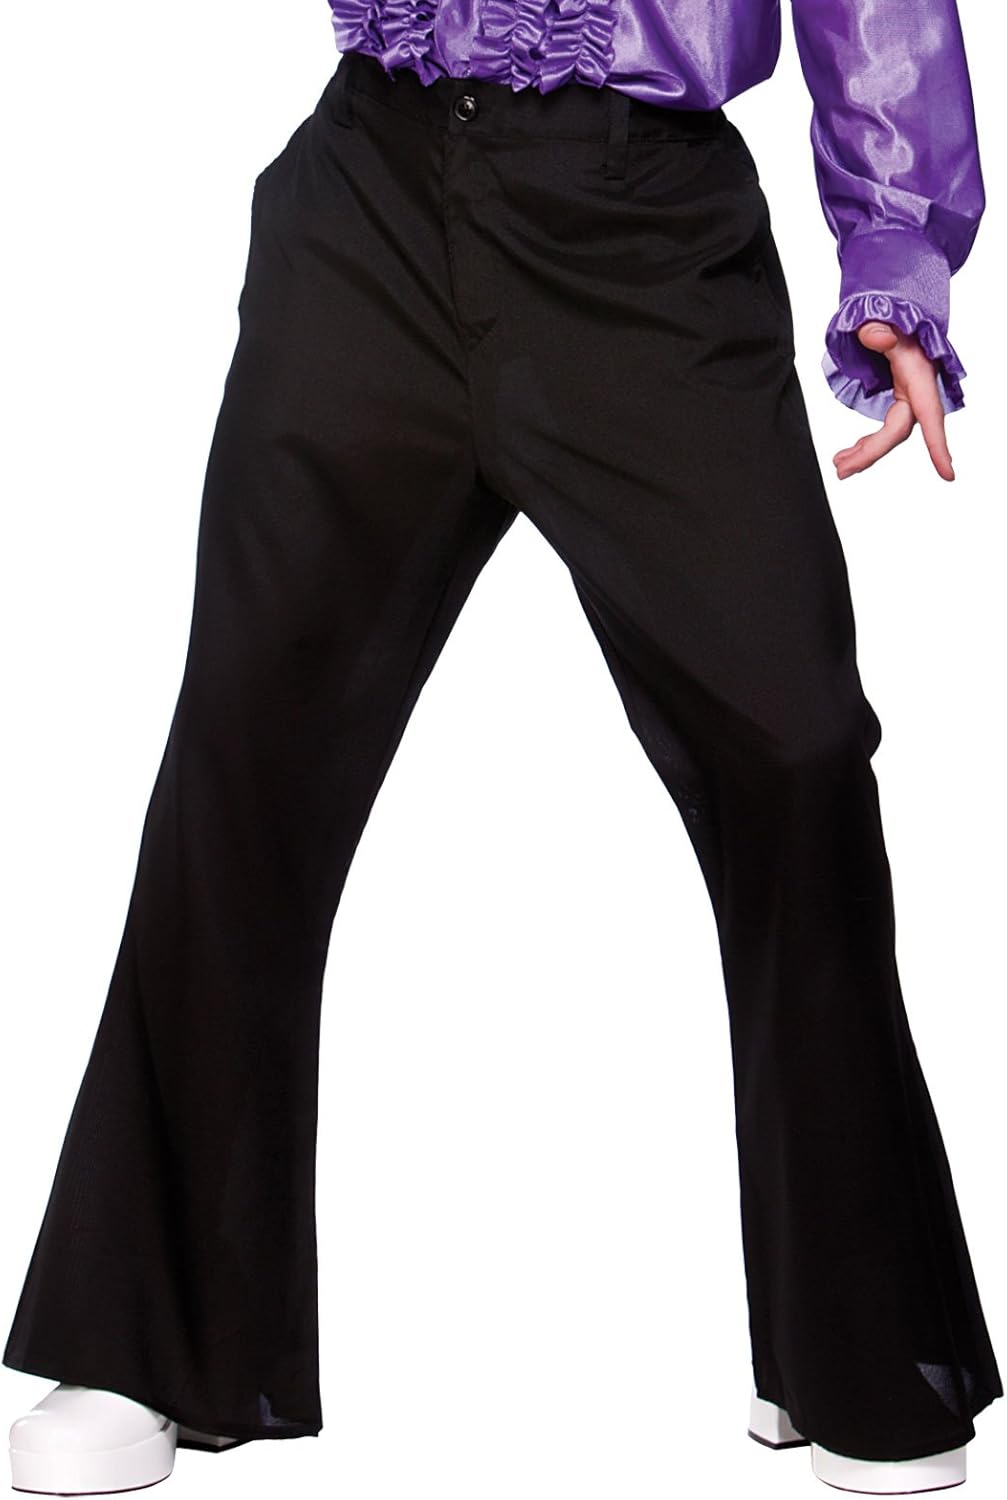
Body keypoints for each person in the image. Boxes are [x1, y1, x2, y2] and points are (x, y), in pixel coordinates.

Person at [4, 2, 1001, 1495]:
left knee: (794, 752)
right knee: (244, 750)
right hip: (371, 196)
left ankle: (854, 1342)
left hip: (645, 228)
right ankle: (147, 1339)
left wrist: (895, 249)